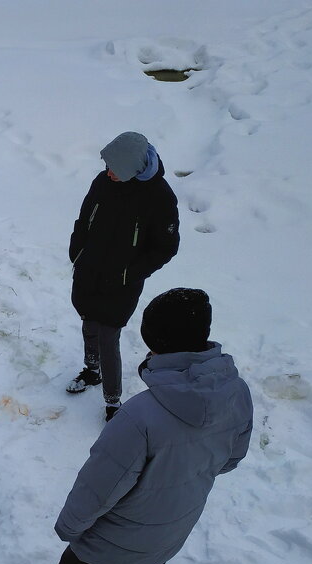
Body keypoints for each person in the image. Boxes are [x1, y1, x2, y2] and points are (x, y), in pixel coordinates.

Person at [26, 288, 253, 564]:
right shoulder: (237, 393)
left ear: (155, 341)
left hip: (115, 531)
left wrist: (70, 526)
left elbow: (100, 487)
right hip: (174, 524)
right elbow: (231, 458)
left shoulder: (140, 417)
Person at [66, 132, 180, 421]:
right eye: (108, 166)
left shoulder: (160, 198)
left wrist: (130, 273)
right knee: (88, 322)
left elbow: (165, 247)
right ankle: (92, 371)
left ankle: (113, 401)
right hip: (89, 269)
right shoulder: (103, 182)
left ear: (134, 168)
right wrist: (77, 252)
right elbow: (84, 218)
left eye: (116, 169)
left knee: (108, 335)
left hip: (121, 281)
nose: (110, 173)